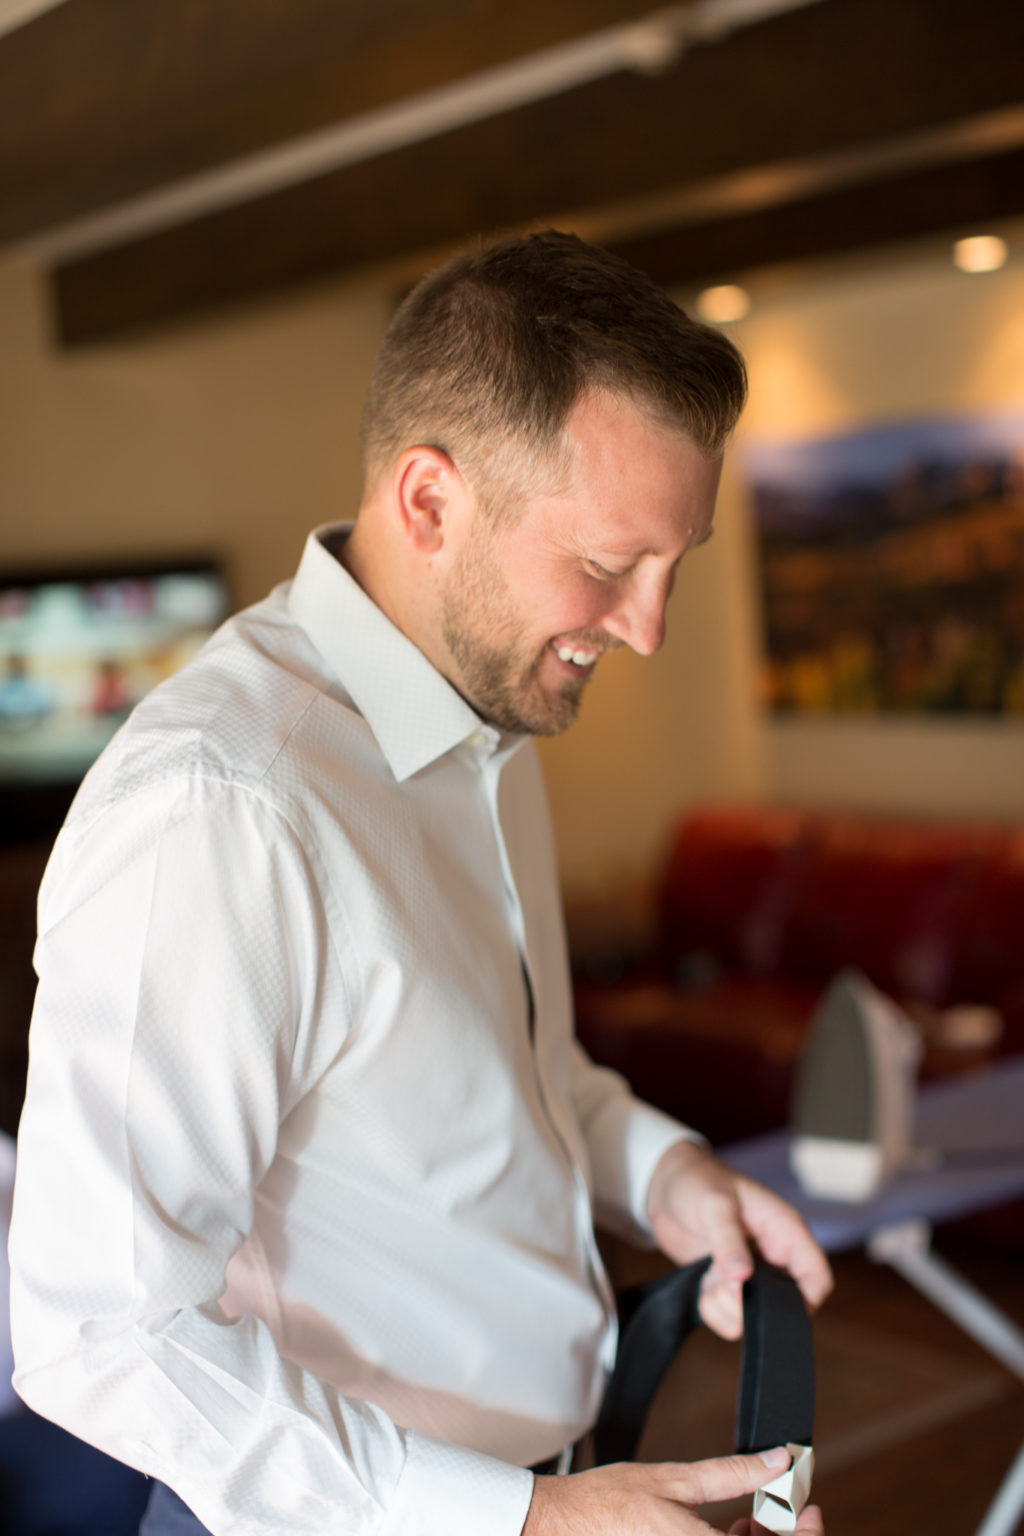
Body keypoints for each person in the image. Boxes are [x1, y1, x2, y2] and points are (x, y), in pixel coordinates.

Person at [9, 230, 832, 1536]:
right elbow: (100, 1329)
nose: (649, 627)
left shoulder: (491, 723)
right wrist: (519, 1522)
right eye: (612, 566)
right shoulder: (223, 806)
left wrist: (667, 1173)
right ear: (431, 503)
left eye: (675, 566)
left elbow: (509, 1076)